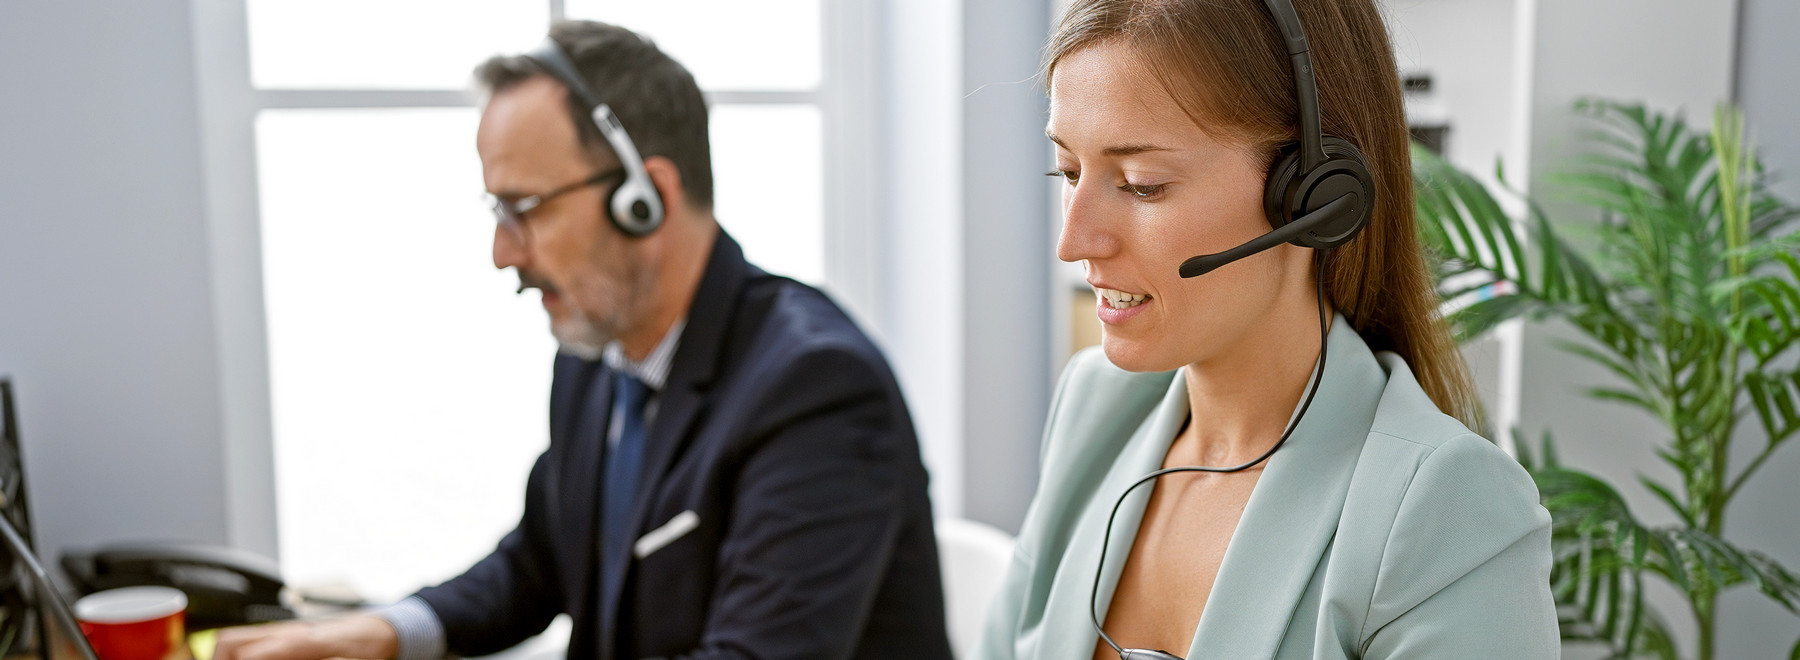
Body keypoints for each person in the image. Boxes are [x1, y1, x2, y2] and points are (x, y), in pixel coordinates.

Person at [215, 20, 952, 660]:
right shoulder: (598, 357)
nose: (503, 253)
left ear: (645, 199)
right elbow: (538, 562)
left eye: (523, 209)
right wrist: (379, 631)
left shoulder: (817, 389)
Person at [977, 0, 1559, 658]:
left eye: (1142, 185)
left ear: (1312, 196)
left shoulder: (1445, 511)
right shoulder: (1095, 404)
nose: (1074, 240)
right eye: (1070, 172)